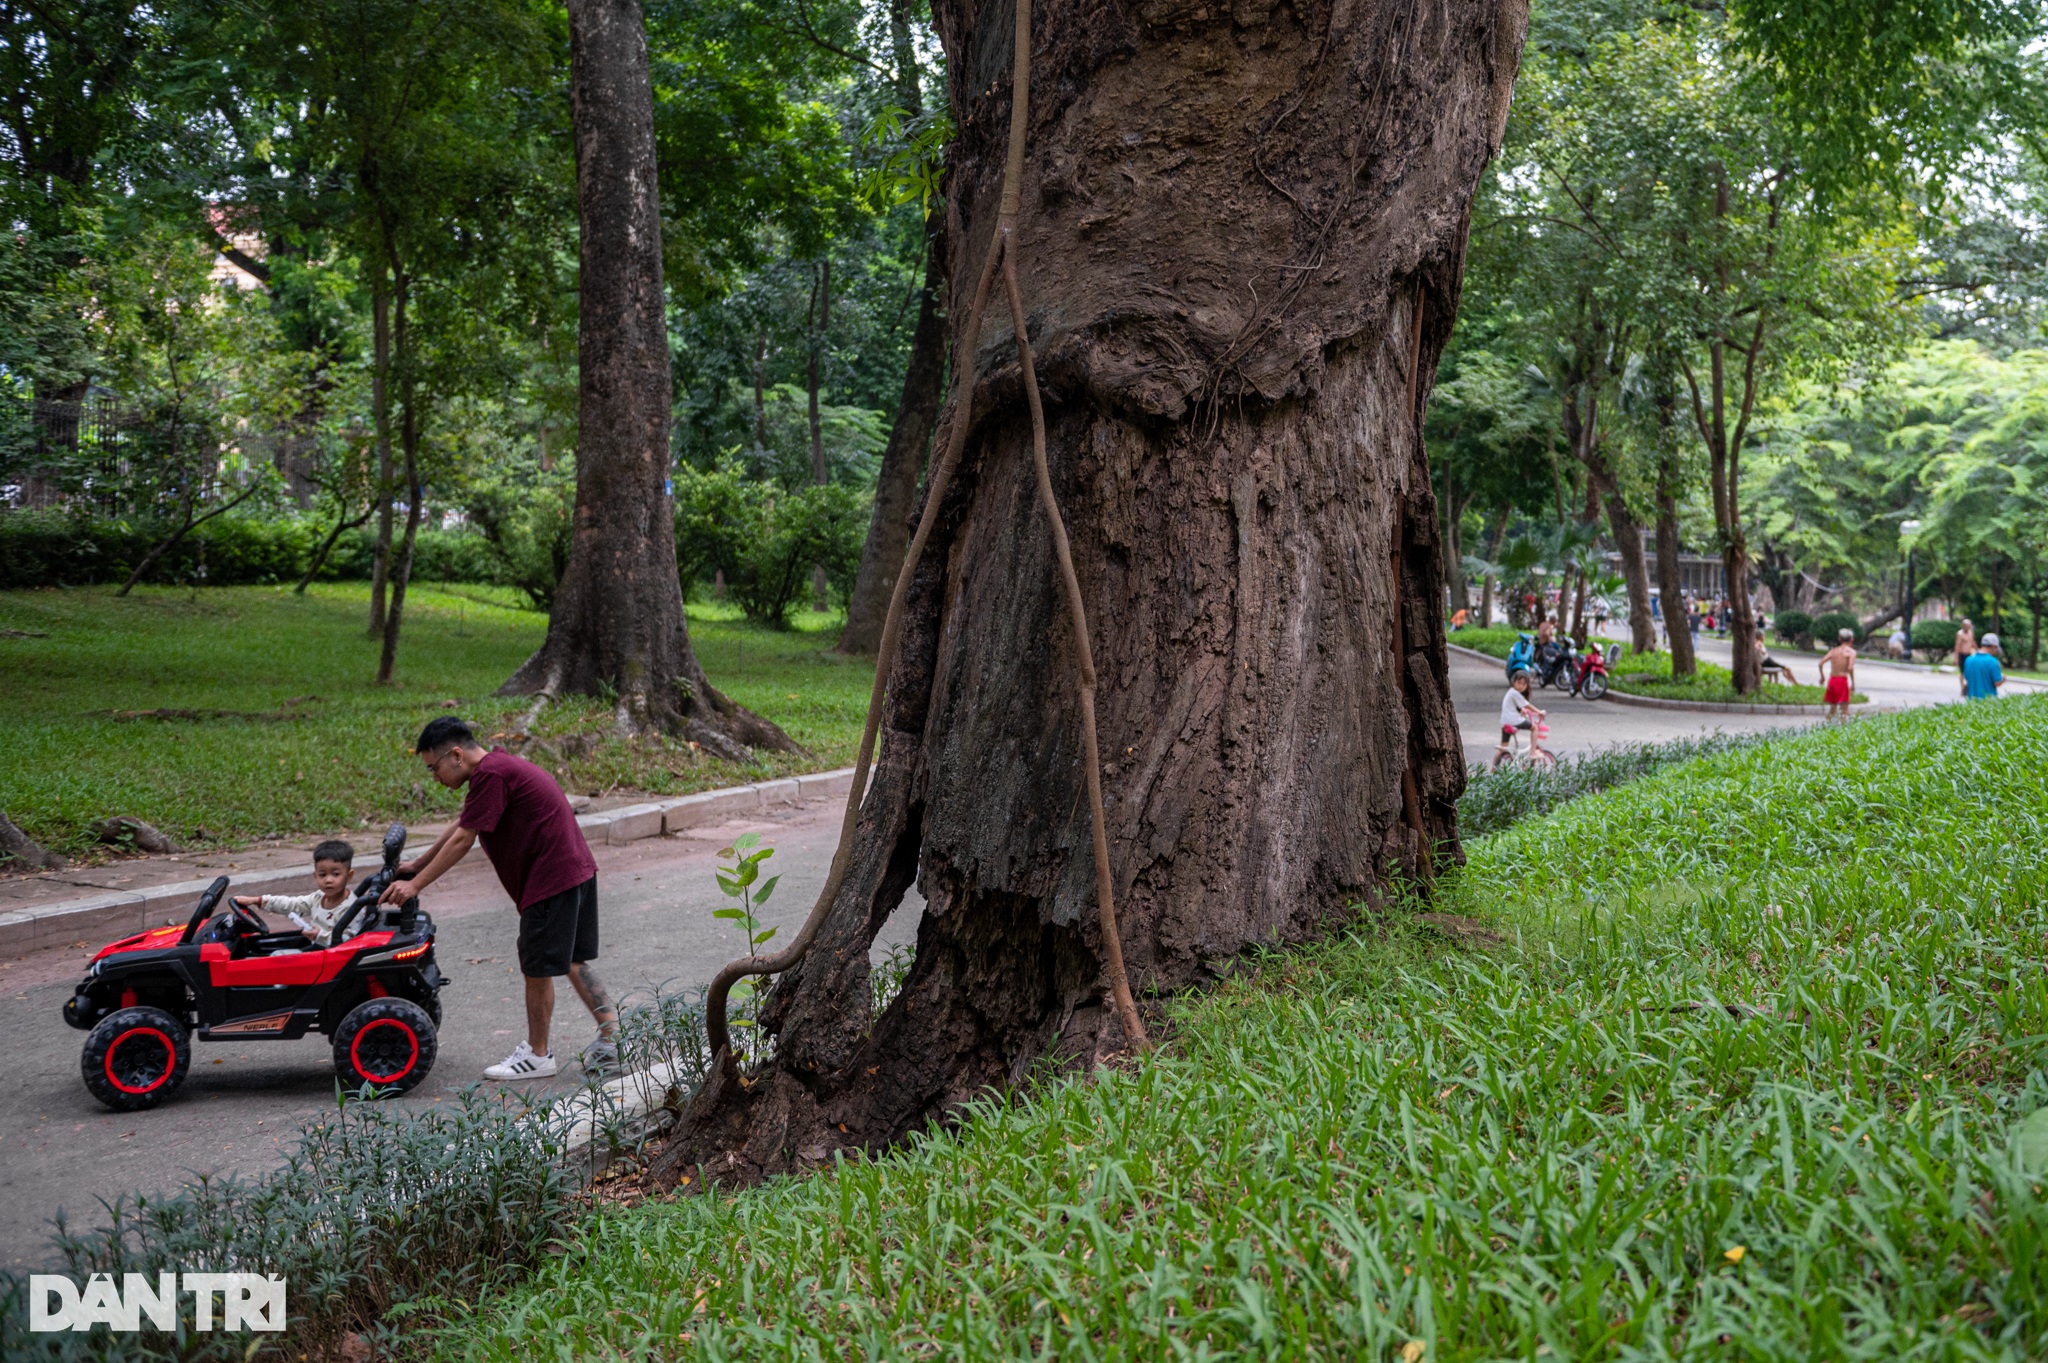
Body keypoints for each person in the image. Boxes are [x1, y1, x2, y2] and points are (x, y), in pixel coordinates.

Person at [382, 717, 616, 1079]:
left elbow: (464, 840)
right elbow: (464, 823)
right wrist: (418, 864)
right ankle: (613, 1038)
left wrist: (416, 885)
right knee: (571, 959)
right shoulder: (496, 768)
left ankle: (538, 1056)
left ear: (456, 755)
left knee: (536, 968)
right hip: (575, 870)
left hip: (550, 879)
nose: (435, 777)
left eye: (434, 768)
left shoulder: (492, 775)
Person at [234, 839, 354, 947]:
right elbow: (292, 904)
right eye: (322, 875)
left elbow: (351, 941)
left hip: (332, 960)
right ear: (315, 876)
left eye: (336, 874)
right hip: (316, 948)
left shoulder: (352, 908)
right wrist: (259, 900)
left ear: (349, 876)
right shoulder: (318, 897)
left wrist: (320, 936)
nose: (328, 880)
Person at [1491, 669, 1545, 771]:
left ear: (1527, 686)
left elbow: (1517, 706)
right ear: (1513, 682)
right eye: (1518, 683)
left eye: (1524, 684)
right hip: (1513, 720)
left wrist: (1522, 710)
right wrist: (1539, 712)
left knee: (1503, 747)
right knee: (1534, 728)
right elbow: (1527, 705)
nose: (1521, 686)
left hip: (1505, 721)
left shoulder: (1511, 693)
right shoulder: (1514, 693)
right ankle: (1533, 752)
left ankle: (1492, 770)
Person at [1818, 628, 1857, 720]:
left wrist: (1822, 677)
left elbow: (1820, 663)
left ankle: (1826, 727)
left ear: (1839, 639)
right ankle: (1842, 730)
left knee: (1832, 709)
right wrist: (1853, 682)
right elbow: (1850, 668)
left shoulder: (1833, 651)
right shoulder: (1851, 652)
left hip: (1832, 680)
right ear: (1851, 640)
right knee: (1844, 710)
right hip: (1842, 680)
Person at [1962, 633, 2004, 700]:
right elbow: (1997, 683)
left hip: (1971, 701)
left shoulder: (1969, 659)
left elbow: (1966, 678)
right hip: (1988, 702)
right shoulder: (1993, 661)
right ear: (1993, 646)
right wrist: (2003, 679)